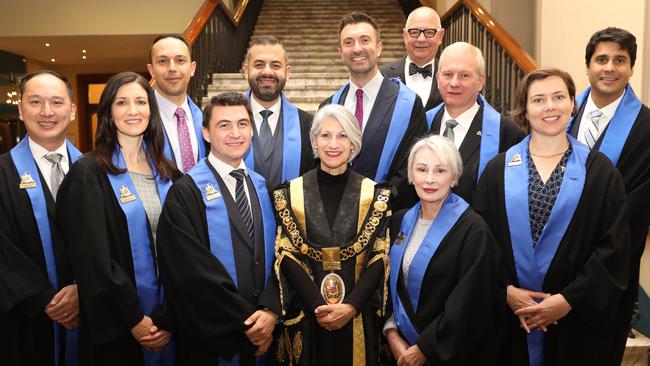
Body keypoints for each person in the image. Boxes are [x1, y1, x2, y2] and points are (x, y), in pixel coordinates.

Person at [473, 68, 630, 366]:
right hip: (510, 320)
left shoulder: (601, 173)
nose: (550, 107)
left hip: (574, 324)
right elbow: (480, 243)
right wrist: (504, 291)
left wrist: (569, 300)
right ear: (525, 109)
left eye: (559, 97)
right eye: (538, 100)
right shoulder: (496, 171)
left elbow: (614, 249)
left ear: (573, 104)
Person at [56, 72, 178, 365]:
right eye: (122, 102)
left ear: (151, 109)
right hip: (119, 325)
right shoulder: (89, 174)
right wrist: (133, 318)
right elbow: (92, 258)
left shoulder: (169, 173)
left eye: (140, 102)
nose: (133, 111)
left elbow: (185, 250)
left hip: (170, 319)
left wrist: (170, 316)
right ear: (109, 111)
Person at [156, 92, 279, 365]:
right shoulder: (185, 192)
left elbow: (280, 255)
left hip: (265, 331)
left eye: (243, 124)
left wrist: (271, 309)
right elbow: (190, 274)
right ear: (206, 133)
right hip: (213, 342)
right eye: (224, 125)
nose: (235, 133)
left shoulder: (263, 187)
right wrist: (248, 325)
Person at [272, 104, 391, 365]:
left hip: (357, 317)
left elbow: (379, 256)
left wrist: (351, 307)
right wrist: (317, 305)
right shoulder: (290, 194)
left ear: (354, 143)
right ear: (314, 141)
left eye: (342, 135)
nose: (333, 144)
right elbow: (287, 254)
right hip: (308, 315)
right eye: (325, 135)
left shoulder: (375, 196)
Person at [384, 135, 504, 366]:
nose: (430, 179)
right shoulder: (399, 222)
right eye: (421, 169)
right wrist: (391, 332)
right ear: (411, 176)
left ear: (454, 177)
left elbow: (471, 302)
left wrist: (425, 348)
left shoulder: (473, 230)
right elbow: (389, 287)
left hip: (451, 354)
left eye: (440, 171)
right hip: (400, 349)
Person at [567, 27, 650, 361]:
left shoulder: (645, 127)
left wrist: (584, 251)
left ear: (631, 68)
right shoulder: (562, 113)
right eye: (601, 59)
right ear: (587, 66)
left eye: (620, 60)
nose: (610, 68)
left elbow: (637, 205)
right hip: (550, 266)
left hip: (607, 267)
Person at [0, 70, 80, 365]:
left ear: (72, 110)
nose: (46, 112)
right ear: (20, 109)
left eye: (57, 102)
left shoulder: (96, 172)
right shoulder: (2, 173)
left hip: (91, 313)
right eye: (35, 102)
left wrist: (83, 288)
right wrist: (45, 299)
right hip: (25, 322)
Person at [321, 11, 428, 210]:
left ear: (378, 48)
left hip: (387, 218)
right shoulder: (329, 107)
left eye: (365, 40)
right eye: (349, 42)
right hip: (335, 215)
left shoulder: (408, 103)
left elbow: (412, 168)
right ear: (340, 51)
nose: (357, 48)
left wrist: (375, 205)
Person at [426, 42, 524, 204]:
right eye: (448, 74)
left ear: (480, 81)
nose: (454, 83)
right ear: (438, 78)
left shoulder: (507, 134)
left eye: (464, 75)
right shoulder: (422, 124)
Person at [242, 35, 316, 188]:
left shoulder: (308, 125)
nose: (267, 72)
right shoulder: (225, 121)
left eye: (275, 65)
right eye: (259, 65)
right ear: (246, 70)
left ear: (287, 72)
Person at [147, 33, 207, 173]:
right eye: (162, 61)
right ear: (151, 71)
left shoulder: (206, 119)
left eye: (180, 60)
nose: (172, 68)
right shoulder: (139, 120)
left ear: (192, 68)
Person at [381, 6, 444, 111]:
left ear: (440, 36)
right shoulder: (383, 76)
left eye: (429, 32)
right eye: (414, 32)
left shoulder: (451, 78)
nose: (421, 39)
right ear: (405, 36)